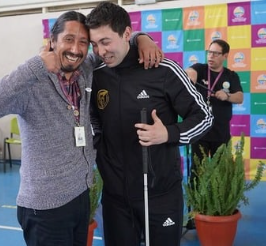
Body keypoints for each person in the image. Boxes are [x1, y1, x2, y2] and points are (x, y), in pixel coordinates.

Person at [0, 10, 162, 246]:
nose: (75, 49)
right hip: (45, 208)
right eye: (68, 39)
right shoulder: (32, 83)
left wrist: (142, 39)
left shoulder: (84, 69)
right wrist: (36, 65)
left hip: (80, 198)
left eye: (83, 42)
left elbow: (118, 38)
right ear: (52, 41)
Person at [85, 2, 213, 246]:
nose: (100, 51)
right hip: (115, 199)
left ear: (126, 34)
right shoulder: (96, 74)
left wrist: (168, 133)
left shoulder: (163, 70)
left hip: (160, 195)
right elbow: (93, 120)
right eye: (94, 44)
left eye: (105, 41)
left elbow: (205, 117)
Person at [186, 39, 244, 171]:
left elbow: (239, 97)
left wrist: (227, 96)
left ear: (225, 55)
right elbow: (190, 71)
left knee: (222, 172)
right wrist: (190, 76)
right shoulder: (200, 69)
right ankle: (197, 192)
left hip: (220, 132)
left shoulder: (231, 75)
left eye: (215, 53)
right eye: (209, 52)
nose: (211, 56)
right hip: (199, 131)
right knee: (198, 171)